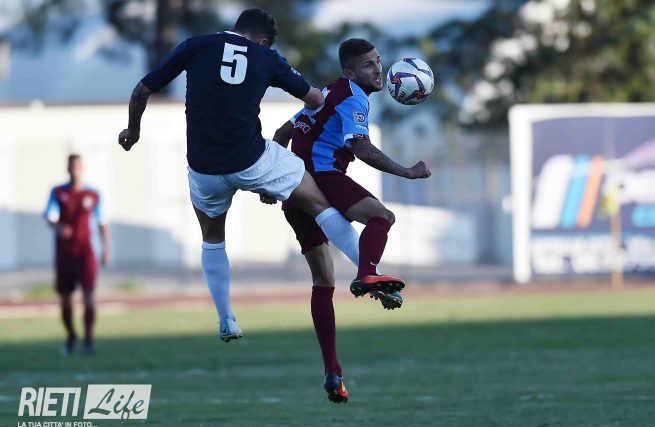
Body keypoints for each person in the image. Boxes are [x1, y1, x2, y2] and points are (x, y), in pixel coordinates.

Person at [117, 8, 403, 344]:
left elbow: (141, 91)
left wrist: (133, 131)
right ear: (264, 41)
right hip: (253, 159)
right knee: (317, 202)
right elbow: (314, 99)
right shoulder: (266, 57)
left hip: (205, 167)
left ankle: (226, 318)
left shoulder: (196, 45)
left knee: (212, 238)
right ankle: (368, 272)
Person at [263, 38, 431, 403]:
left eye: (379, 61)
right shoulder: (353, 97)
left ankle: (332, 371)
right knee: (382, 216)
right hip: (323, 178)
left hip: (294, 191)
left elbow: (281, 134)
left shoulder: (326, 92)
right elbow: (361, 148)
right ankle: (368, 274)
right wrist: (407, 172)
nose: (379, 70)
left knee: (323, 281)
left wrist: (270, 181)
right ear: (350, 72)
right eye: (369, 65)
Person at [44, 154, 110, 355]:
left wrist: (106, 249)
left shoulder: (93, 194)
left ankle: (88, 340)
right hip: (64, 253)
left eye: (78, 166)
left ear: (83, 168)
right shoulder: (58, 192)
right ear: (68, 169)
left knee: (88, 295)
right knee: (65, 298)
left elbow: (102, 222)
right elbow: (50, 216)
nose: (75, 170)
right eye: (72, 166)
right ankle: (71, 335)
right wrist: (59, 227)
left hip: (85, 253)